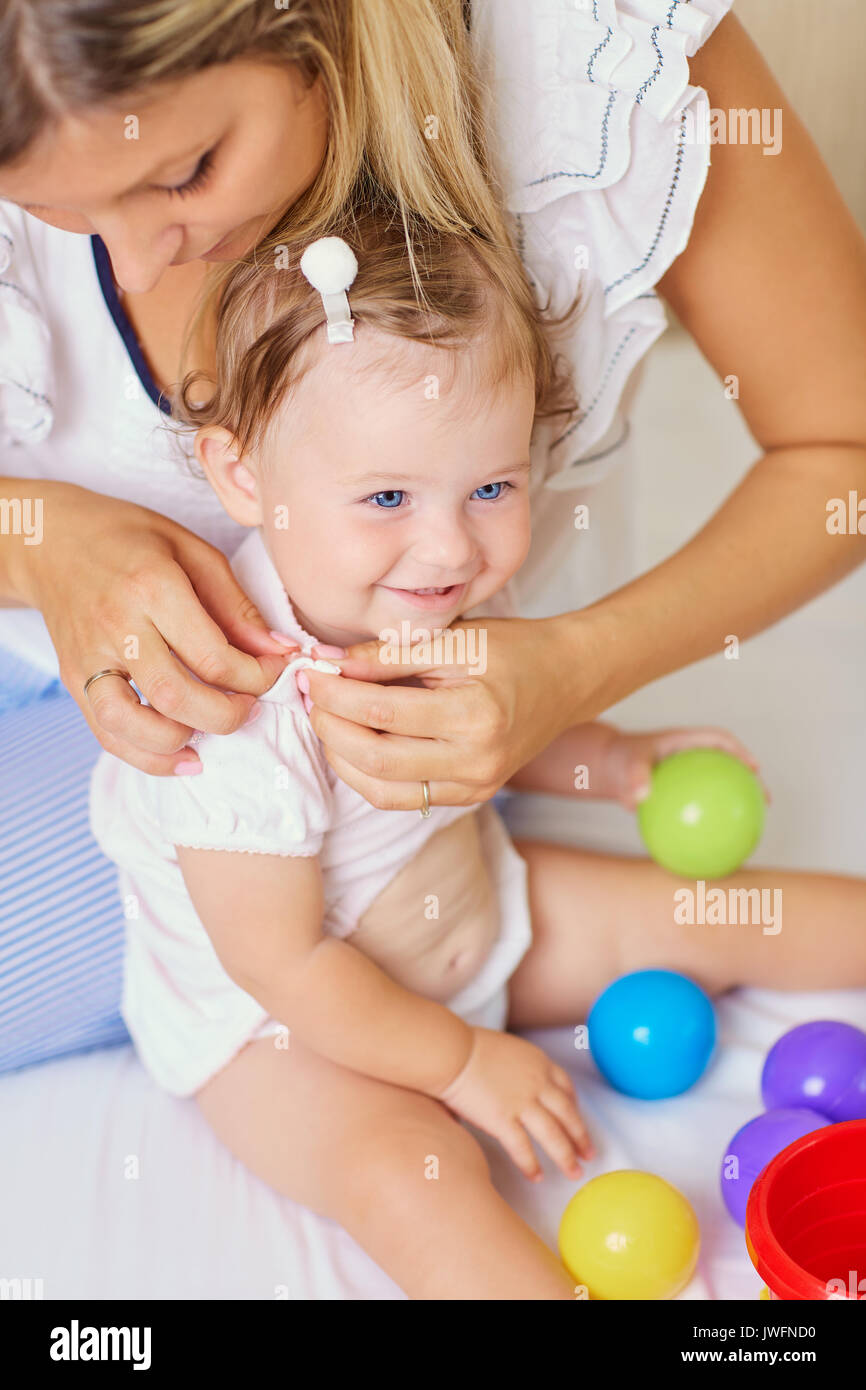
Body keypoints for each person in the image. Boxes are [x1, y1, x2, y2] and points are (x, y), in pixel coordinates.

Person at [1, 0, 864, 1070]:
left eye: (181, 175)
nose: (132, 265)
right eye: (54, 211)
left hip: (385, 793)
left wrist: (578, 667)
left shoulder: (601, 59)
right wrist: (37, 542)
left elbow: (843, 454)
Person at [88, 215, 866, 1299]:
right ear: (240, 471)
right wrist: (460, 1065)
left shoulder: (422, 584)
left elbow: (499, 733)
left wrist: (616, 762)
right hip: (290, 1034)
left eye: (491, 488)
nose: (453, 547)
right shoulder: (231, 711)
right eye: (388, 498)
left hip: (471, 912)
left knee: (712, 913)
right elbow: (286, 965)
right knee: (414, 1176)